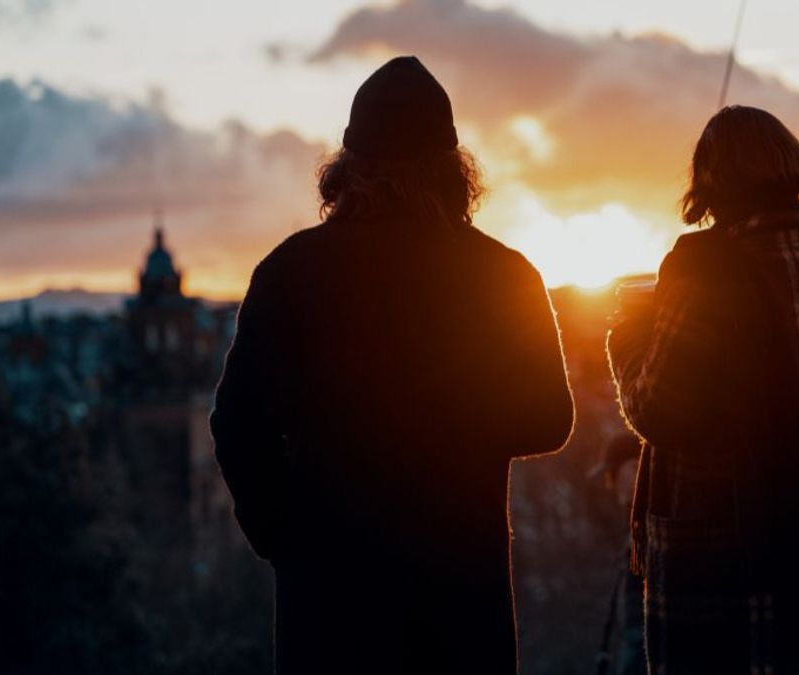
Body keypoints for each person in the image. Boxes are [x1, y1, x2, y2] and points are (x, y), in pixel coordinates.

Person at [210, 56, 575, 674]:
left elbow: (237, 425)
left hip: (329, 601)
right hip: (459, 590)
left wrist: (285, 540)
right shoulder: (503, 274)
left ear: (347, 168)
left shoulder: (292, 271)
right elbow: (549, 418)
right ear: (454, 170)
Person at [607, 105, 799, 675]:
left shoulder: (697, 275)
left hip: (711, 563)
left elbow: (657, 409)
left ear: (711, 184)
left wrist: (629, 335)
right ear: (795, 173)